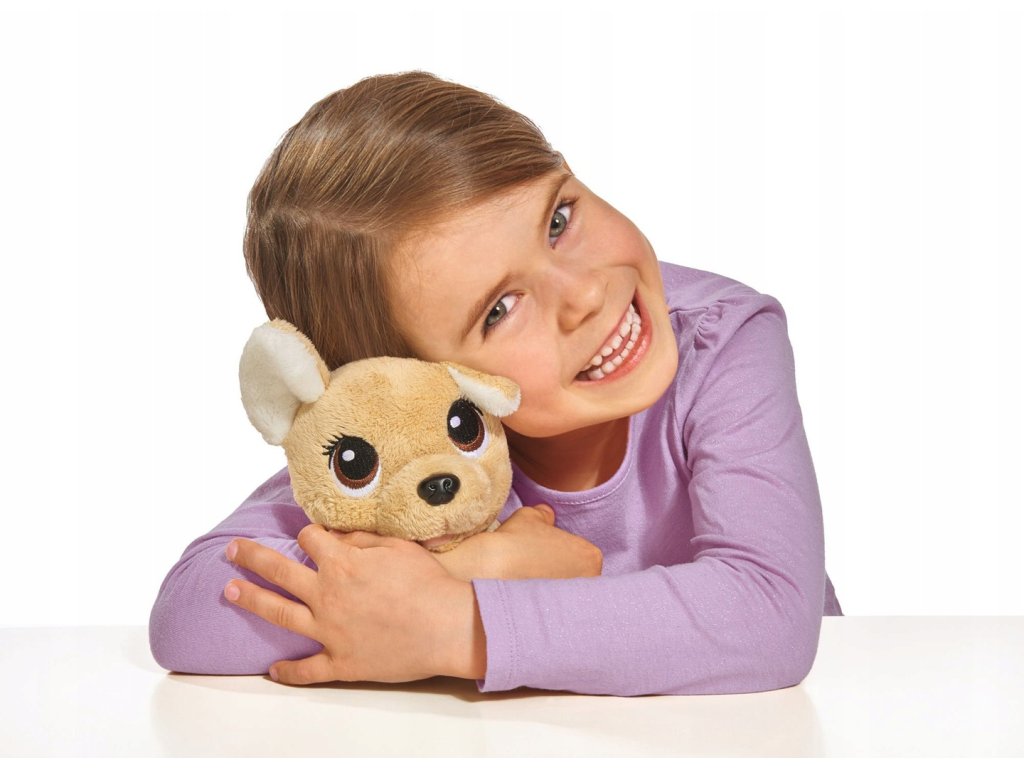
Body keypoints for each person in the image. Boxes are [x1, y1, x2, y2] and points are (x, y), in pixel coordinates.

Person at [149, 71, 842, 696]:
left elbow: (769, 612)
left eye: (558, 220)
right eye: (501, 310)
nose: (585, 295)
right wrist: (485, 564)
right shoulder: (421, 445)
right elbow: (189, 614)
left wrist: (454, 623)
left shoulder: (721, 340)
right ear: (402, 382)